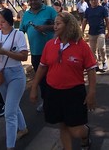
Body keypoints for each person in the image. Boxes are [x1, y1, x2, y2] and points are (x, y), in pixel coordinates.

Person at [30, 12, 97, 150]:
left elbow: (91, 69)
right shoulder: (50, 45)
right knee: (63, 124)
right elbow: (42, 68)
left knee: (76, 130)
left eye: (58, 23)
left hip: (74, 93)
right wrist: (34, 87)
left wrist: (91, 92)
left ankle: (85, 133)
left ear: (68, 26)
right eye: (54, 23)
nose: (54, 26)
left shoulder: (81, 46)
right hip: (53, 92)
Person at [0, 9, 29, 150]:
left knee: (9, 113)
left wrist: (5, 52)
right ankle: (23, 128)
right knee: (12, 105)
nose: (0, 25)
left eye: (3, 22)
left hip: (16, 75)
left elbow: (24, 56)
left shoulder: (18, 34)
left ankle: (10, 146)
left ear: (10, 21)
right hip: (0, 74)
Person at [19, 0, 57, 112]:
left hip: (52, 52)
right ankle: (46, 101)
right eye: (30, 0)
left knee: (54, 77)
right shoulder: (26, 14)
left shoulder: (50, 10)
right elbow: (21, 32)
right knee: (41, 79)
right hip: (36, 53)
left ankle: (57, 100)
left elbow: (61, 25)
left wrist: (45, 27)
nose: (33, 2)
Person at [81, 0, 109, 72]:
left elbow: (107, 20)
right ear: (90, 2)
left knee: (101, 47)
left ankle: (104, 61)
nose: (94, 1)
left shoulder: (102, 9)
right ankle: (96, 64)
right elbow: (84, 21)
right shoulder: (88, 10)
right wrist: (82, 31)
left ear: (98, 0)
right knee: (93, 50)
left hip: (101, 31)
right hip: (91, 33)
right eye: (92, 0)